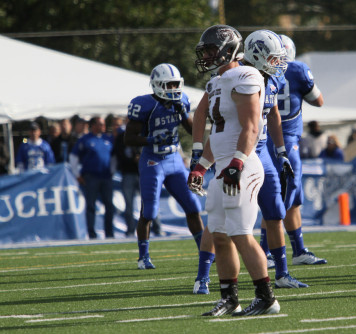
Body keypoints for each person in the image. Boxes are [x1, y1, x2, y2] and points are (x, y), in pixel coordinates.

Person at [190, 30, 310, 295]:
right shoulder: (225, 79)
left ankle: (275, 281)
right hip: (230, 157)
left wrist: (280, 152)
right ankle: (209, 281)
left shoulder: (256, 78)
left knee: (263, 219)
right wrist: (200, 159)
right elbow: (212, 122)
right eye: (273, 58)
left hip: (250, 156)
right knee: (220, 228)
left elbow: (261, 123)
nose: (279, 63)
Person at [188, 24, 279, 316]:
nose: (208, 55)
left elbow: (253, 125)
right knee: (218, 234)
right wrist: (202, 166)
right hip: (223, 167)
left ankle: (267, 298)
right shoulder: (217, 81)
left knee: (240, 233)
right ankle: (230, 298)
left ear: (229, 49)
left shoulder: (245, 75)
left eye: (213, 49)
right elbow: (221, 133)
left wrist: (237, 162)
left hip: (242, 166)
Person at [124, 63, 205, 269]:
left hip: (174, 160)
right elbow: (129, 138)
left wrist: (183, 113)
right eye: (168, 85)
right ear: (157, 85)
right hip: (153, 161)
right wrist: (151, 140)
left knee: (193, 207)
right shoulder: (143, 105)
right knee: (149, 211)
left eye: (175, 85)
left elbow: (193, 129)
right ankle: (143, 256)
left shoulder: (181, 100)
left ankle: (204, 252)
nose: (173, 89)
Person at [266, 34, 327, 266]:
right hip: (285, 139)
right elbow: (319, 100)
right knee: (279, 197)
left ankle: (299, 250)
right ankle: (265, 251)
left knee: (293, 200)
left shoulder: (261, 72)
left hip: (270, 139)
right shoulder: (297, 69)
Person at [69, 116, 115, 239]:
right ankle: (91, 233)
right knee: (91, 205)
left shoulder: (108, 139)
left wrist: (113, 170)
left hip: (106, 176)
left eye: (104, 124)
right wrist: (77, 174)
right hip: (91, 177)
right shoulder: (85, 139)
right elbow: (73, 157)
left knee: (109, 205)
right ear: (93, 125)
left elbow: (114, 156)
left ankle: (109, 233)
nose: (103, 127)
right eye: (100, 124)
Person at [114, 122, 161, 237]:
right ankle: (130, 230)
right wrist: (130, 159)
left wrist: (142, 158)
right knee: (129, 204)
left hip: (144, 172)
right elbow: (118, 154)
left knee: (149, 200)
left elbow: (154, 152)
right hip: (128, 172)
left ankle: (157, 228)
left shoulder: (146, 133)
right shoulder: (122, 136)